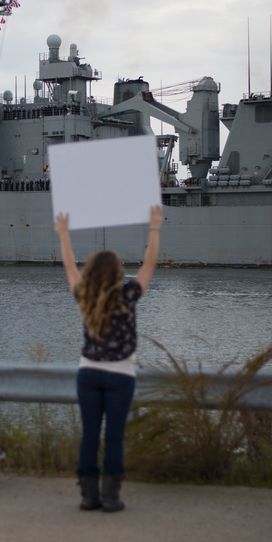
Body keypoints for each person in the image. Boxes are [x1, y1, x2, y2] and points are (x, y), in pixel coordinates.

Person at [54, 205, 163, 513]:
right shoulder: (127, 296)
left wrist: (64, 234)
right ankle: (111, 498)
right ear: (117, 273)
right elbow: (150, 263)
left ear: (92, 273)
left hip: (88, 374)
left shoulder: (84, 296)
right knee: (114, 437)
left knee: (90, 436)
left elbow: (69, 268)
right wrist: (154, 228)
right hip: (120, 376)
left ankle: (88, 497)